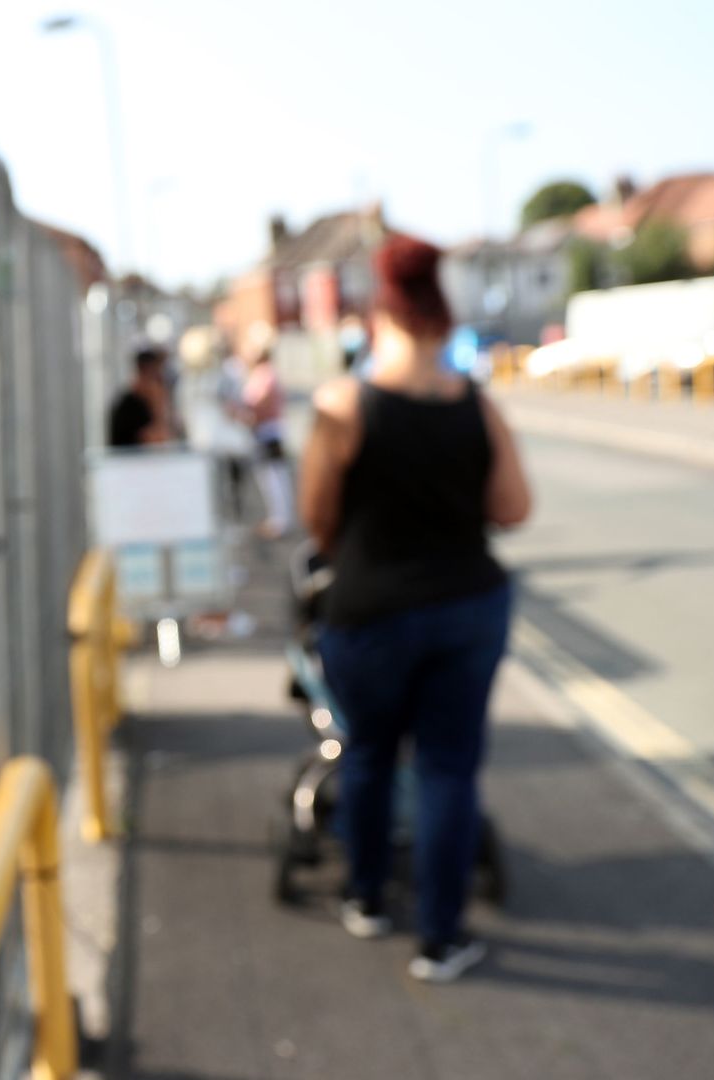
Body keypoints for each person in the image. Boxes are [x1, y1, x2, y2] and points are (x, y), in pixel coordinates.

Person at [298, 233, 532, 983]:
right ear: (442, 314)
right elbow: (514, 508)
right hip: (468, 606)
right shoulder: (476, 405)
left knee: (367, 753)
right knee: (448, 771)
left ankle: (367, 899)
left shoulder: (343, 405)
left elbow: (317, 519)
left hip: (369, 610)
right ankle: (441, 938)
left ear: (378, 311)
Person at [239, 335, 291, 537]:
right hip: (266, 430)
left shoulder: (265, 375)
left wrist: (241, 413)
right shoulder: (263, 374)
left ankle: (280, 520)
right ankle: (279, 518)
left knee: (274, 477)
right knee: (272, 477)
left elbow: (260, 405)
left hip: (267, 430)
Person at [107, 345, 174, 448]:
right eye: (156, 376)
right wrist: (157, 406)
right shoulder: (129, 407)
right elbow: (158, 443)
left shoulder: (142, 402)